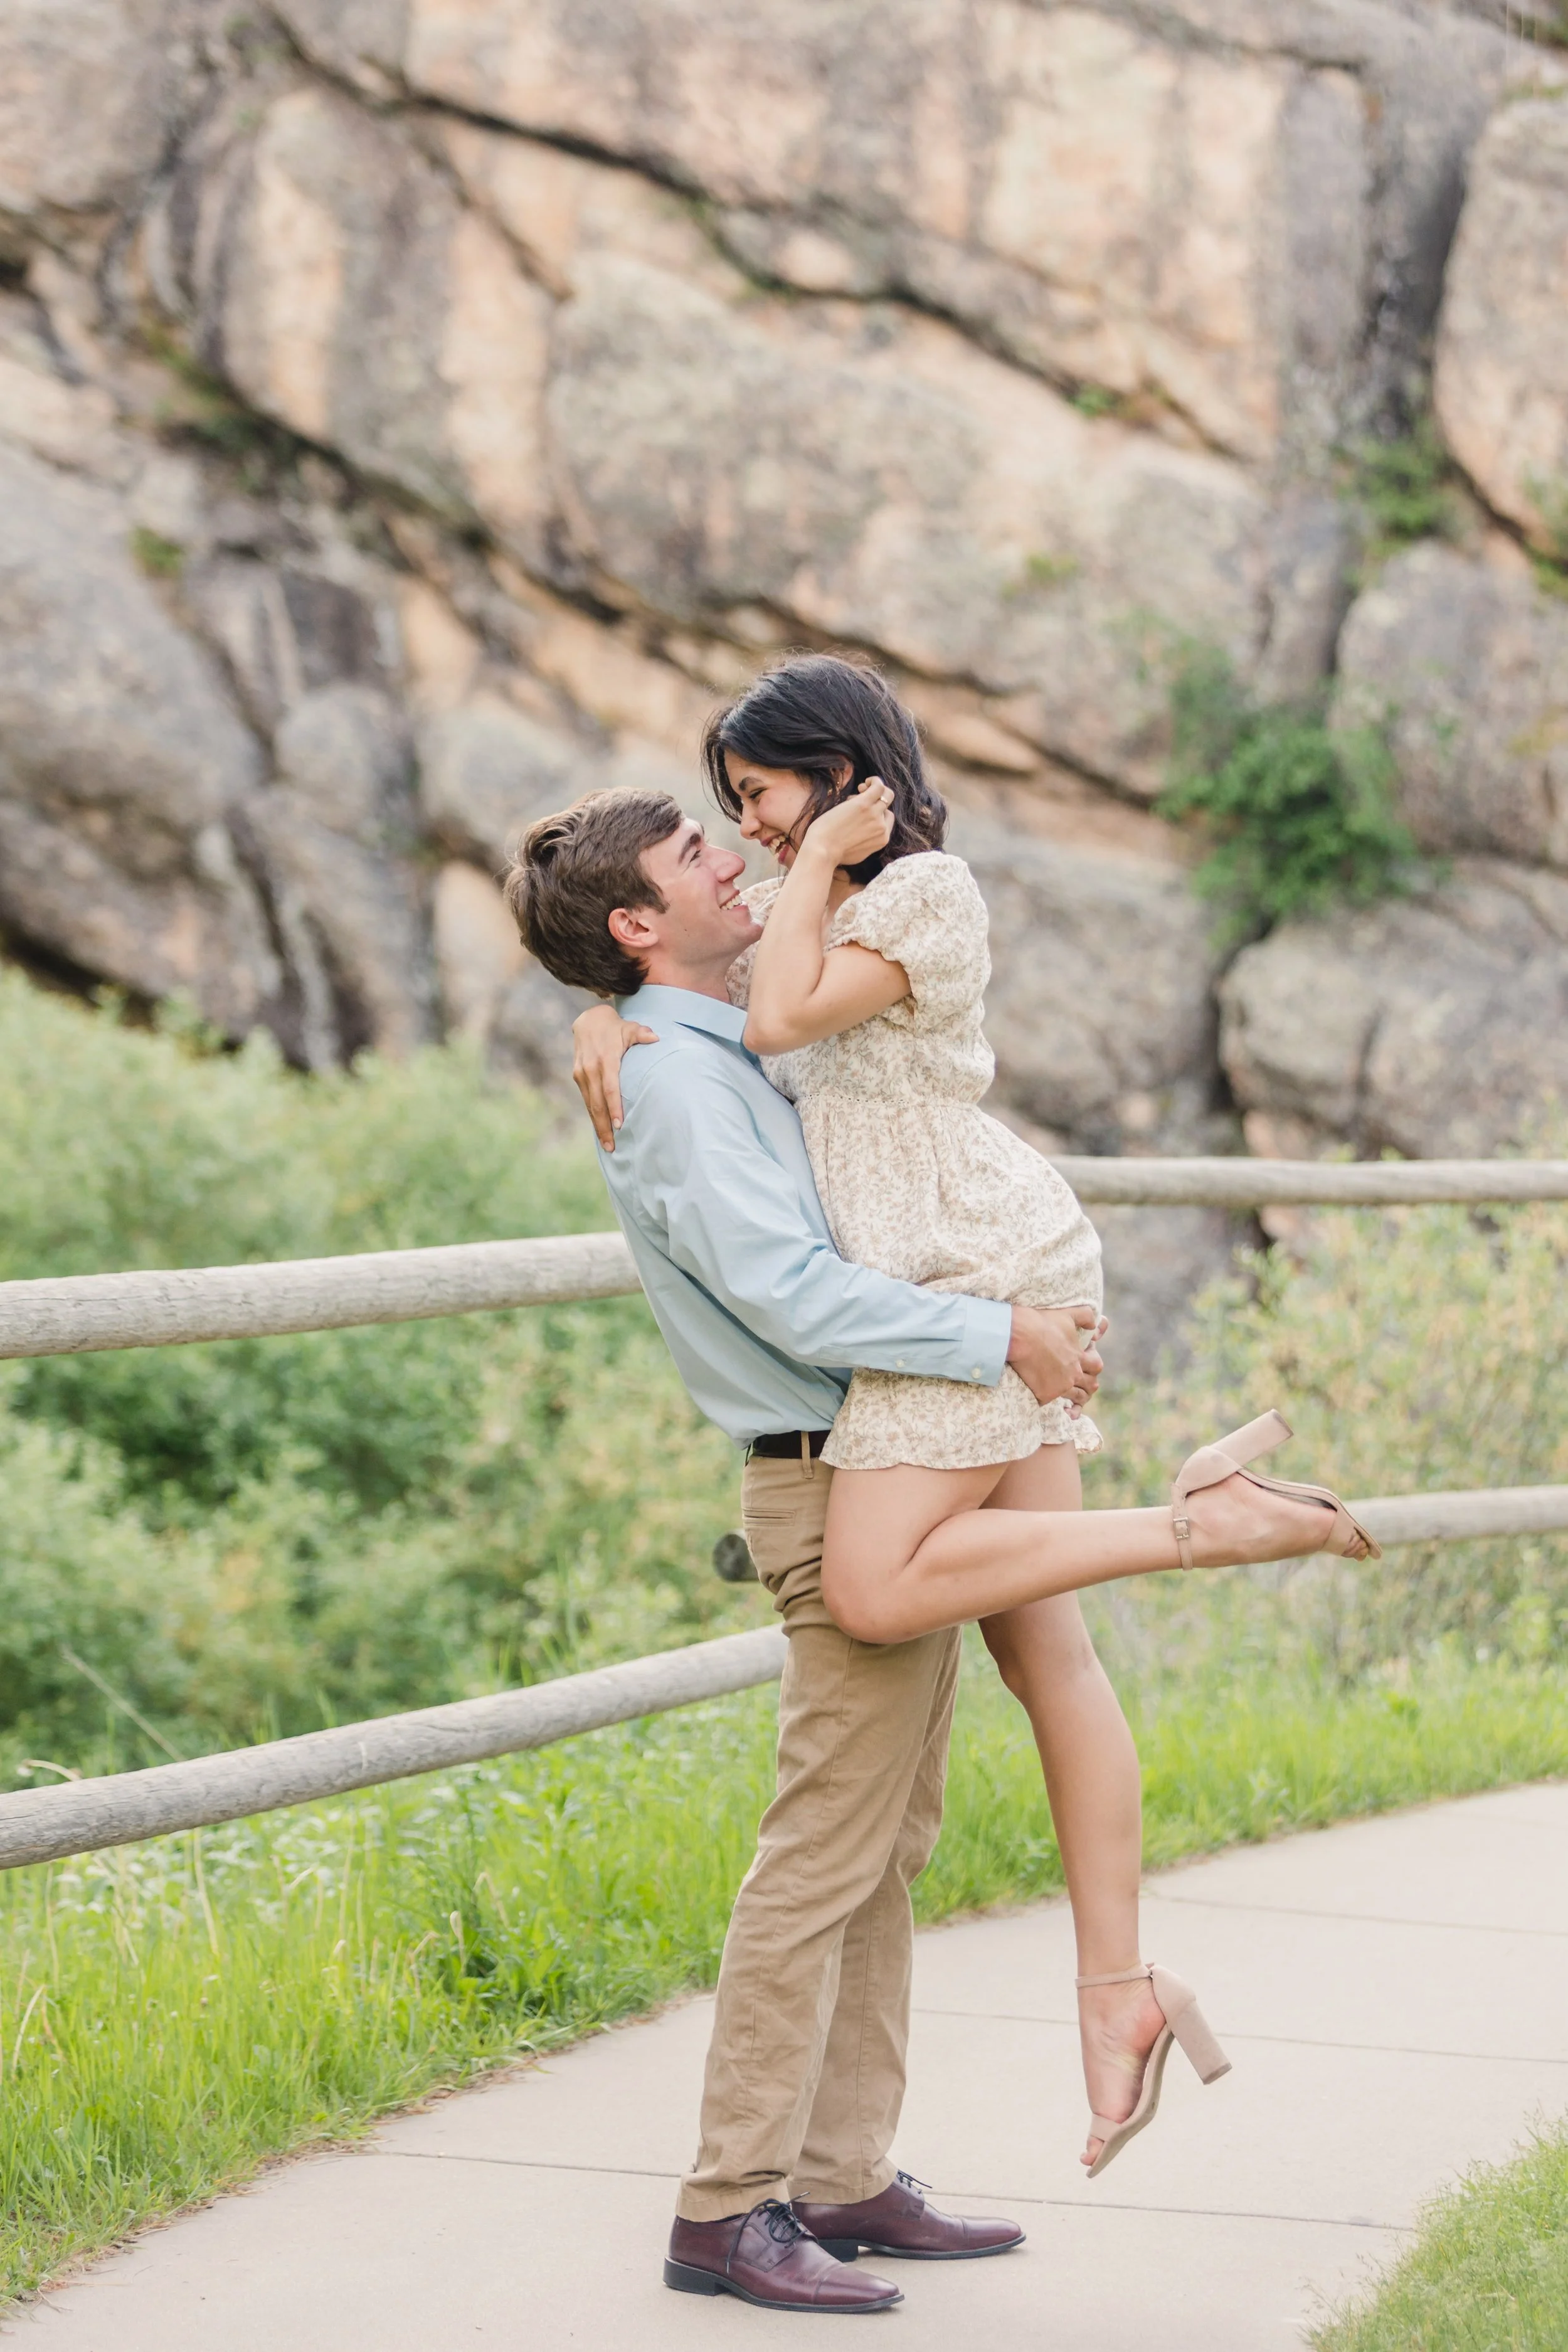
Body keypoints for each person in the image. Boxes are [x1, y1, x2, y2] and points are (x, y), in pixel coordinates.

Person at [568, 654, 1380, 2183]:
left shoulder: (911, 896)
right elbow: (731, 1021)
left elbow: (774, 1015)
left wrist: (772, 896)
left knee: (904, 1671)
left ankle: (1190, 1529)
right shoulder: (776, 949)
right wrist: (615, 1019)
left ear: (846, 773)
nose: (744, 843)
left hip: (969, 1273)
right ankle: (1115, 1997)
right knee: (1023, 1677)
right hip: (954, 1295)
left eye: (754, 805)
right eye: (719, 830)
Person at [505, 782, 1095, 2312]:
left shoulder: (728, 1042)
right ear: (640, 926)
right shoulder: (681, 1082)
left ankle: (840, 2174)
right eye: (701, 854)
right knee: (816, 1858)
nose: (740, 856)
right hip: (831, 1477)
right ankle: (726, 2208)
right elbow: (793, 1298)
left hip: (895, 1462)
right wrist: (999, 1333)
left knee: (882, 1848)